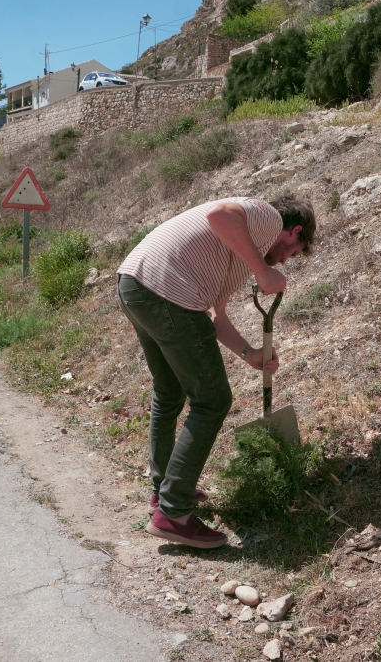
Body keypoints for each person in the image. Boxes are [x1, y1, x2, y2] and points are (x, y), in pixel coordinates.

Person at [116, 193, 316, 548]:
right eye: (292, 251)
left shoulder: (235, 251)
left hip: (136, 284)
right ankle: (173, 513)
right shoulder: (266, 217)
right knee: (213, 400)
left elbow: (213, 315)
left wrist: (249, 353)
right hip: (166, 291)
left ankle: (163, 492)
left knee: (170, 391)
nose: (286, 258)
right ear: (293, 230)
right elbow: (220, 213)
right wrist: (263, 269)